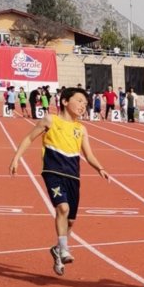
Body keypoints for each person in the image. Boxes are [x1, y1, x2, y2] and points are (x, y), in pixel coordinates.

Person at [10, 87, 109, 276]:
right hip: (53, 172)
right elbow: (29, 138)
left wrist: (101, 168)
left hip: (73, 176)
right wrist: (16, 159)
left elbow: (88, 155)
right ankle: (64, 249)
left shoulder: (81, 129)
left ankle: (57, 249)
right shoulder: (50, 120)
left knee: (70, 220)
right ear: (64, 101)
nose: (83, 106)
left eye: (85, 104)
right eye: (79, 101)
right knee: (63, 208)